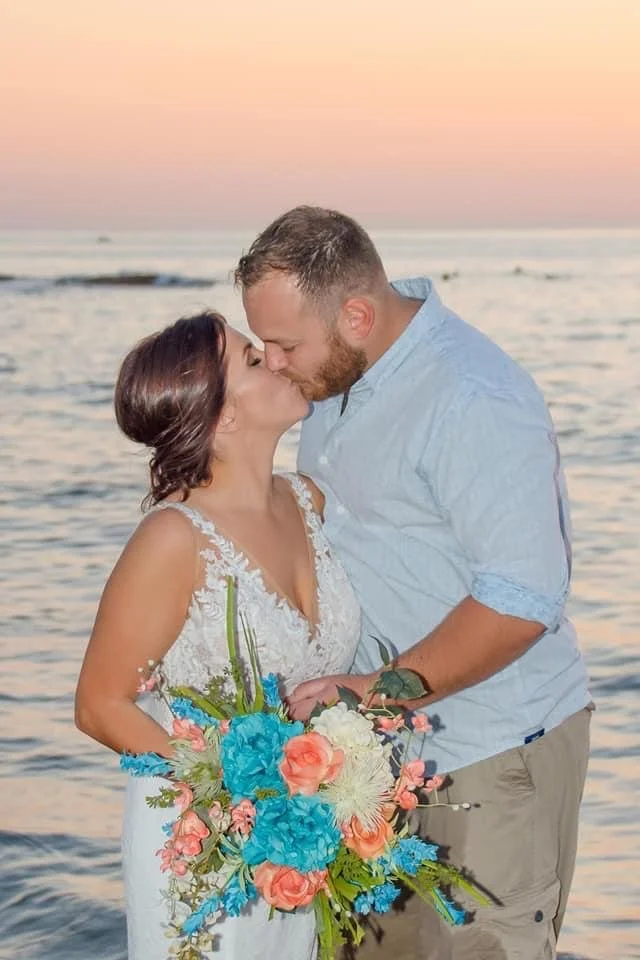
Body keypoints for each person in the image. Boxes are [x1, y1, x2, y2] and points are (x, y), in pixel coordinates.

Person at [236, 207, 593, 960]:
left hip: (491, 752)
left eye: (284, 344)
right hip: (379, 763)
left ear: (357, 315)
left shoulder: (472, 398)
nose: (271, 362)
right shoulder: (338, 371)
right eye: (261, 342)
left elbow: (522, 600)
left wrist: (371, 692)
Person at [74, 310, 361, 960]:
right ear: (223, 418)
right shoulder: (174, 540)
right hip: (200, 842)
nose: (279, 358)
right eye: (255, 361)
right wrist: (227, 793)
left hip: (298, 834)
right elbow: (99, 704)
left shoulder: (306, 500)